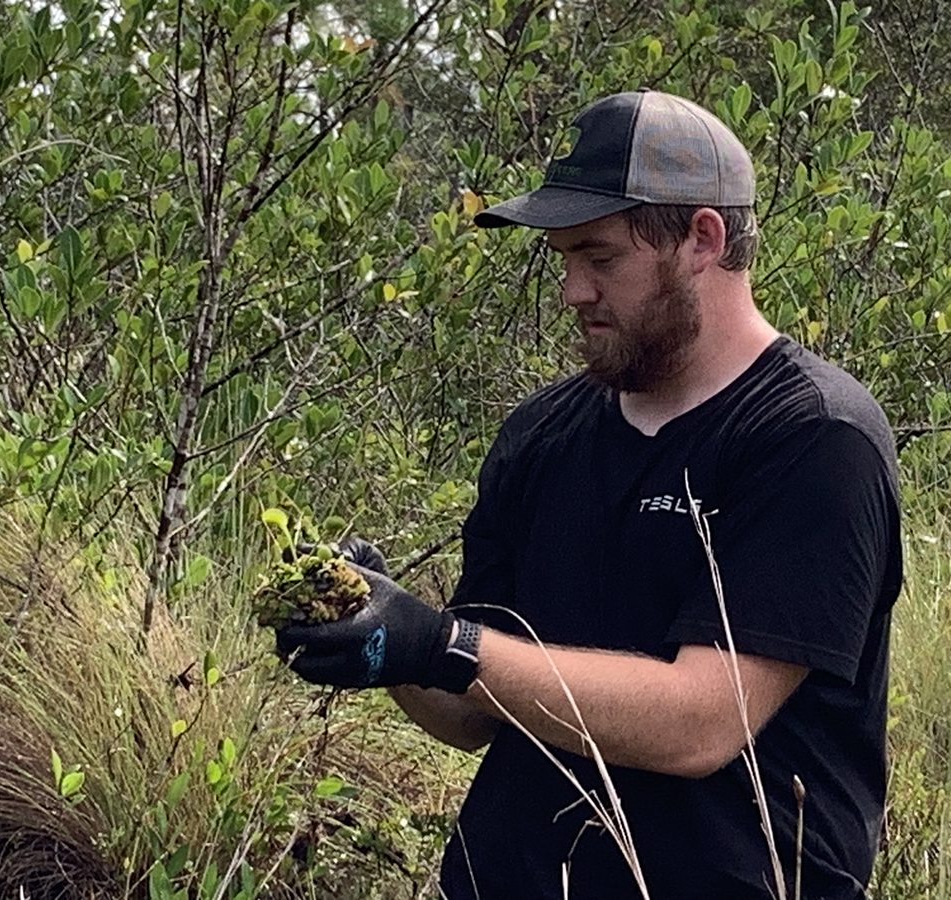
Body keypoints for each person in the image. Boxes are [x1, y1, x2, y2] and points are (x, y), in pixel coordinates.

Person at [275, 89, 903, 899]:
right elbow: (473, 714)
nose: (573, 289)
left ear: (701, 240)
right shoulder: (544, 436)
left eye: (600, 258)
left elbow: (701, 723)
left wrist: (444, 644)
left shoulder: (813, 438)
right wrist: (377, 634)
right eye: (564, 259)